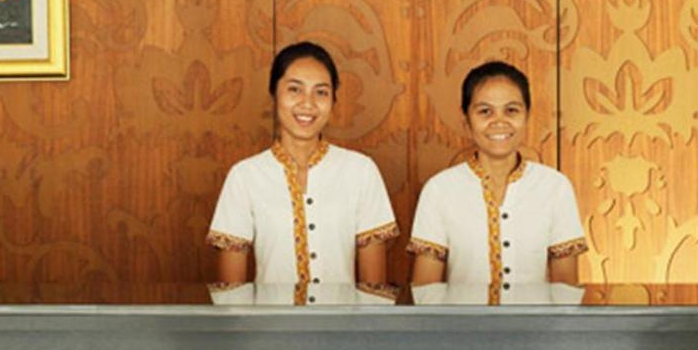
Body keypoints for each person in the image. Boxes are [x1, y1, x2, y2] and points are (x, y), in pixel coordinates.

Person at [207, 41, 398, 304]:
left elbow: (374, 291)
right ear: (274, 94)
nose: (307, 103)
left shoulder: (361, 171)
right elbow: (231, 295)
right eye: (294, 89)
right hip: (269, 326)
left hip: (342, 326)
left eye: (321, 92)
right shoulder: (245, 176)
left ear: (333, 101)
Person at [408, 61, 586, 303]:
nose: (499, 121)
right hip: (461, 325)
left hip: (536, 326)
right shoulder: (439, 190)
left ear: (527, 116)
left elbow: (566, 291)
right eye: (485, 111)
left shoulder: (555, 187)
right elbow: (425, 292)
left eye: (511, 110)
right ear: (466, 121)